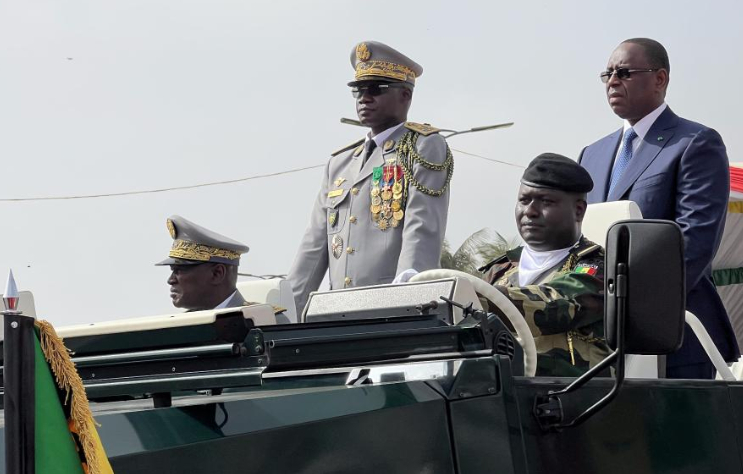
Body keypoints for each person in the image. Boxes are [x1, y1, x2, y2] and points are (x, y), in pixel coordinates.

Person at [577, 38, 739, 378]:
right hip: (599, 339)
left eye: (624, 72)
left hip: (673, 335)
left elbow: (694, 242)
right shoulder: (591, 154)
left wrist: (630, 306)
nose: (612, 81)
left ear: (660, 79)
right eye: (607, 74)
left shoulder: (694, 143)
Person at [288, 41, 453, 314]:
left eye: (376, 89)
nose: (365, 98)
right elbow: (315, 243)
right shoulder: (339, 163)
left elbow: (422, 225)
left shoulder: (423, 146)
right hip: (336, 309)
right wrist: (286, 310)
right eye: (359, 90)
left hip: (390, 306)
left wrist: (410, 294)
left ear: (405, 95)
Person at [480, 153, 610, 377]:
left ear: (578, 210)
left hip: (575, 396)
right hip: (502, 394)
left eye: (546, 202)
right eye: (524, 200)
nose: (530, 211)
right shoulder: (500, 270)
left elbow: (556, 305)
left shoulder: (597, 266)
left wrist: (478, 298)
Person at [156, 215, 254, 311]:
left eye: (179, 270)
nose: (170, 280)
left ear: (217, 273)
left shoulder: (257, 321)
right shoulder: (185, 323)